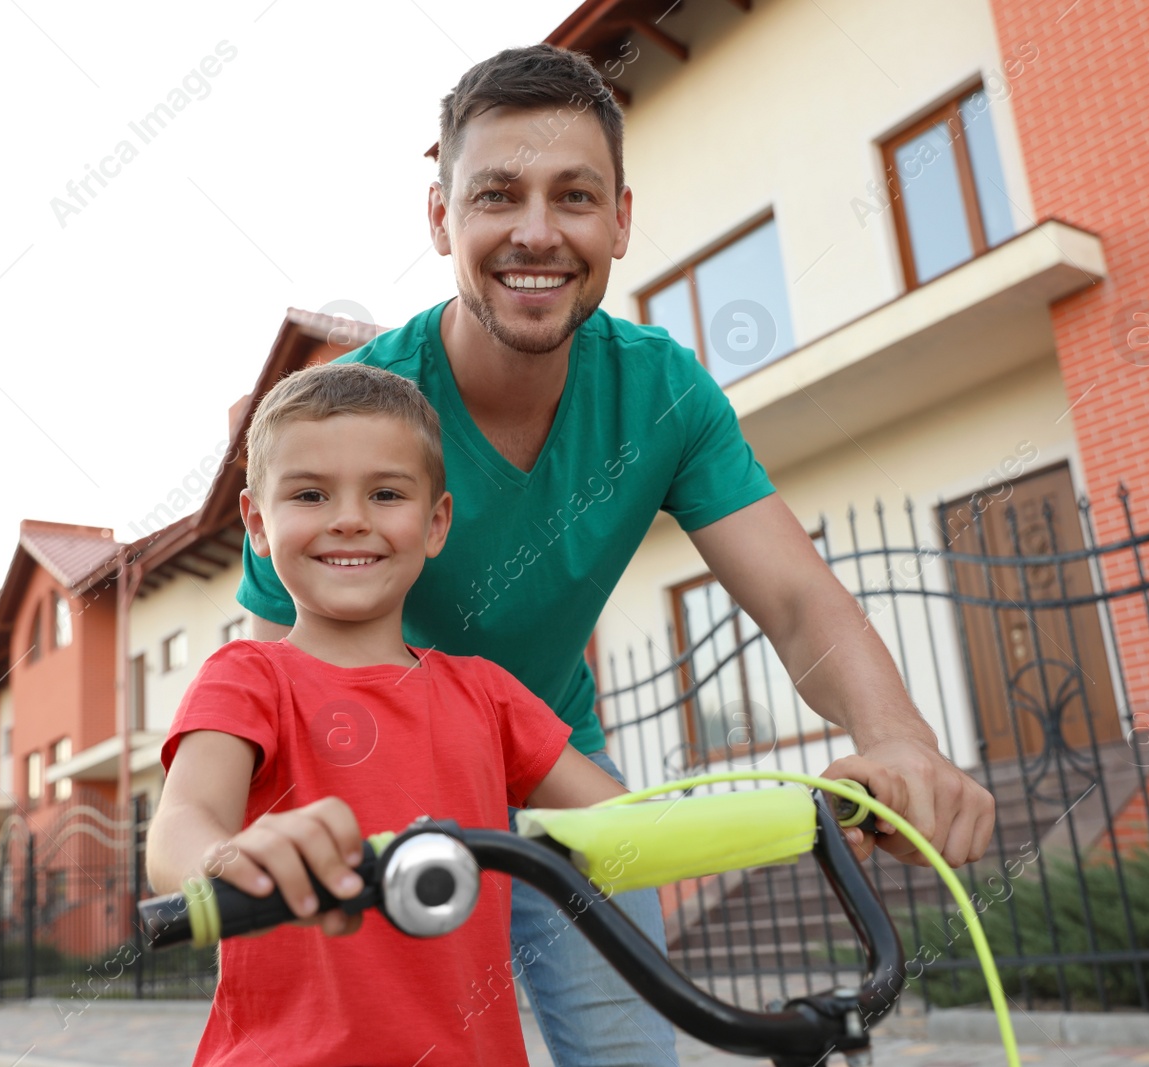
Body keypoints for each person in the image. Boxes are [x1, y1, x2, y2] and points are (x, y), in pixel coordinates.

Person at [238, 44, 997, 1067]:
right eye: (497, 195)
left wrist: (897, 737)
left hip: (563, 768)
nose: (537, 232)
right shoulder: (357, 412)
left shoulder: (661, 392)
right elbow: (267, 667)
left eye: (575, 196)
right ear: (439, 220)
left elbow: (795, 599)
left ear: (621, 221)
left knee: (628, 1052)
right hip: (372, 784)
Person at [148, 362, 632, 1066]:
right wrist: (225, 857)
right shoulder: (249, 677)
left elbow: (630, 828)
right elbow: (178, 827)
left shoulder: (487, 694)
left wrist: (804, 813)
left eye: (385, 493)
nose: (350, 518)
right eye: (311, 493)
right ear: (257, 522)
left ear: (436, 523)